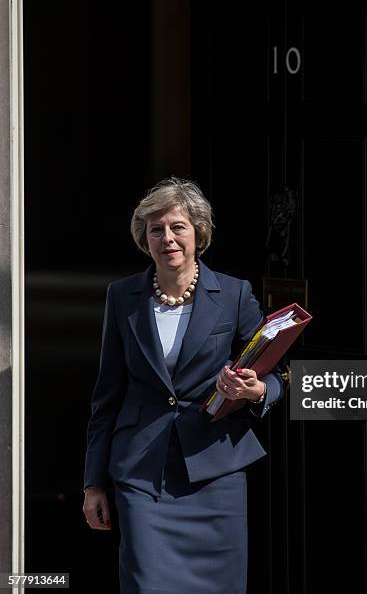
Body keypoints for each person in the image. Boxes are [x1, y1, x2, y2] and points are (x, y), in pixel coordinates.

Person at [82, 177, 284, 593]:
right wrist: (92, 482)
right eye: (156, 229)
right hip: (140, 473)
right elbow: (107, 396)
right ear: (144, 239)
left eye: (178, 227)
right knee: (146, 583)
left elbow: (273, 375)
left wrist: (256, 391)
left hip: (215, 474)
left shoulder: (233, 294)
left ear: (199, 233)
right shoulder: (122, 297)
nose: (167, 238)